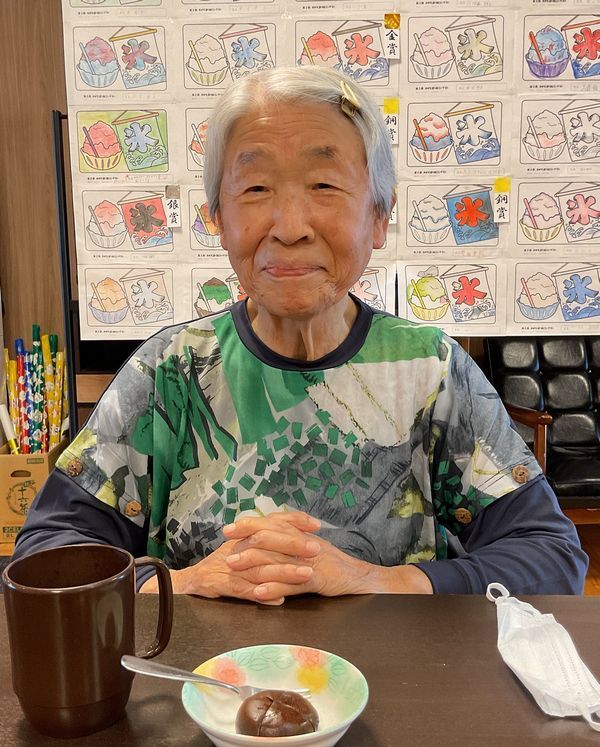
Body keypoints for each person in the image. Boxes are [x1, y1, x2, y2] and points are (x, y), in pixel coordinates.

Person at [14, 66, 587, 601]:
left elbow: (552, 558)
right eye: (256, 189)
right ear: (218, 219)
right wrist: (184, 584)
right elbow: (46, 557)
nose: (289, 228)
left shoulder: (431, 369)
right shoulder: (169, 371)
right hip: (203, 672)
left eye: (324, 185)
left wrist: (376, 580)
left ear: (379, 216)